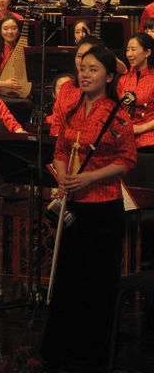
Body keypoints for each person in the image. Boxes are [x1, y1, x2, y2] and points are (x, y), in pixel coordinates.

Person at [41, 45, 136, 371]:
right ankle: (63, 349)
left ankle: (92, 353)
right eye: (83, 68)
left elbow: (127, 160)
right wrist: (64, 177)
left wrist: (88, 177)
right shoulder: (71, 110)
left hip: (103, 207)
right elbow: (60, 150)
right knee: (68, 279)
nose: (85, 74)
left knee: (95, 281)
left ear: (109, 76)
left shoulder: (117, 114)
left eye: (93, 69)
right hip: (73, 204)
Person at [48, 37, 105, 136]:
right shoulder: (66, 88)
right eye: (79, 56)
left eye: (87, 56)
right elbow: (56, 122)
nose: (82, 60)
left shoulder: (104, 88)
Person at [118, 32, 154, 151]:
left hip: (149, 139)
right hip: (125, 139)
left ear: (147, 53)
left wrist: (140, 128)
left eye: (133, 49)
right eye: (128, 50)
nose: (129, 54)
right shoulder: (124, 79)